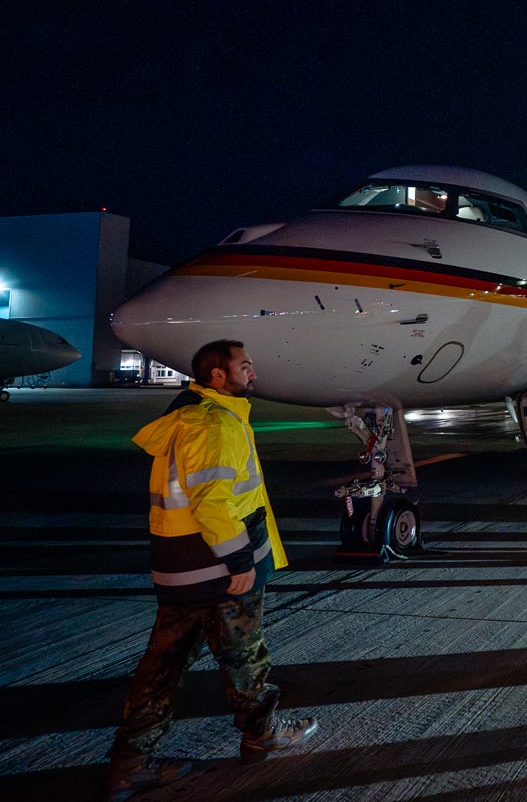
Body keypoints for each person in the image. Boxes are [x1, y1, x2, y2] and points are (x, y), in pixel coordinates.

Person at [104, 340, 317, 801]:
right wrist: (238, 559)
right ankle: (263, 733)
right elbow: (212, 499)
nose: (253, 373)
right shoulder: (213, 423)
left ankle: (130, 765)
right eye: (245, 366)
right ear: (218, 376)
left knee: (163, 665)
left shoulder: (193, 415)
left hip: (179, 564)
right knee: (245, 657)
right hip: (217, 565)